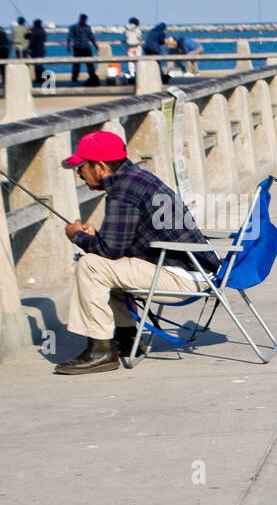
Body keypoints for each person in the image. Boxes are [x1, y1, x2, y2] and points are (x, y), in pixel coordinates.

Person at [52, 132, 219, 375]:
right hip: (193, 269)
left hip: (181, 278)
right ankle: (128, 340)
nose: (79, 172)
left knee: (91, 265)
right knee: (102, 263)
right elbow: (119, 244)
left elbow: (109, 251)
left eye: (81, 166)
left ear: (99, 166)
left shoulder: (123, 191)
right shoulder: (137, 178)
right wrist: (93, 236)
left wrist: (77, 235)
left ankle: (101, 352)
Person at [67, 14, 97, 84]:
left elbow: (91, 37)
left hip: (86, 48)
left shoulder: (88, 27)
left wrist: (95, 46)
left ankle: (92, 77)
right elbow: (69, 37)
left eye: (85, 20)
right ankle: (74, 78)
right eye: (83, 19)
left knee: (90, 64)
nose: (84, 21)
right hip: (78, 48)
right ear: (80, 19)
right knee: (76, 64)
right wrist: (68, 46)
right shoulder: (74, 27)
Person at [28, 19, 46, 85]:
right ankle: (40, 78)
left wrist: (29, 48)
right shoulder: (42, 30)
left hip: (35, 50)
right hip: (41, 49)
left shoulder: (34, 31)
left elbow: (32, 40)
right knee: (40, 64)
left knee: (37, 65)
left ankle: (40, 78)